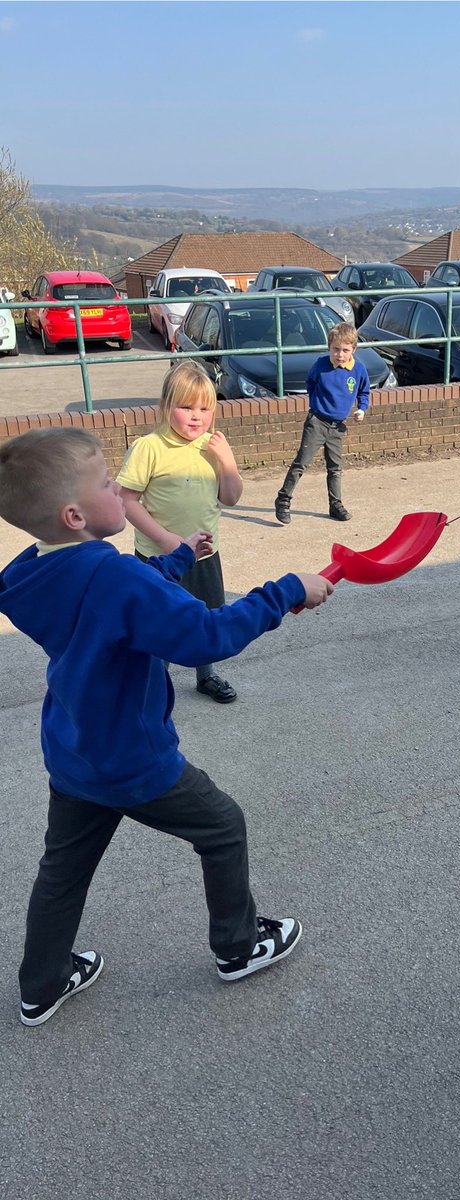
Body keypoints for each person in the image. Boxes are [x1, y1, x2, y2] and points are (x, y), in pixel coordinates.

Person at [0, 428, 334, 1027]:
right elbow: (206, 636)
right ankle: (237, 947)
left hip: (75, 751)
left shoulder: (32, 573)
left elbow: (117, 600)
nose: (118, 488)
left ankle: (41, 983)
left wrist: (176, 558)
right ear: (75, 514)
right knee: (223, 826)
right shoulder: (114, 579)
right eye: (106, 482)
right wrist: (285, 591)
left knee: (63, 870)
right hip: (134, 759)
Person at [117, 361, 244, 704]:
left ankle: (207, 675)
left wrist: (227, 460)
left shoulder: (212, 446)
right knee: (160, 621)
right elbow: (126, 501)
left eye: (204, 408)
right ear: (164, 407)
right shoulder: (149, 447)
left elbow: (230, 497)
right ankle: (155, 682)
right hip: (160, 558)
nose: (195, 416)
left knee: (204, 615)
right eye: (185, 406)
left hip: (204, 555)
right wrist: (164, 539)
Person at [275, 320, 369, 525]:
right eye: (335, 349)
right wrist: (316, 402)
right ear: (329, 348)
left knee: (335, 468)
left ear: (353, 349)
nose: (340, 354)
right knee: (302, 462)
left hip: (338, 427)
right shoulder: (320, 365)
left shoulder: (359, 370)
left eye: (345, 350)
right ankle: (283, 499)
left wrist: (362, 409)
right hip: (317, 422)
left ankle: (335, 504)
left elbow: (364, 392)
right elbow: (310, 383)